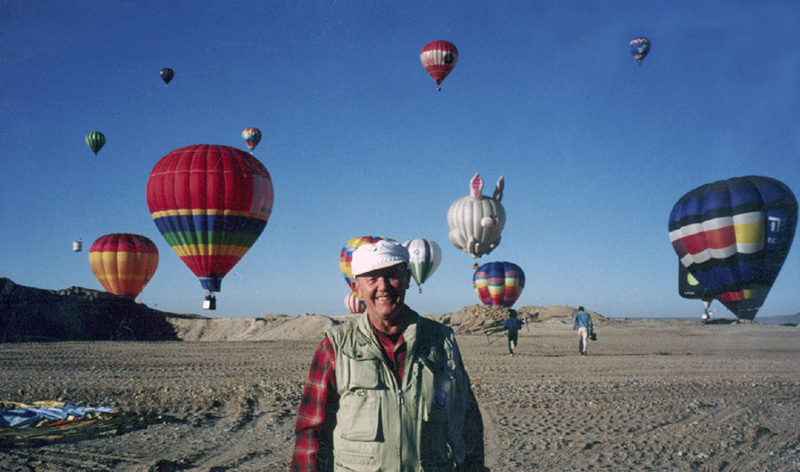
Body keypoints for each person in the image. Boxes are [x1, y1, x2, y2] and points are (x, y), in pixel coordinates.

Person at [291, 240, 487, 471]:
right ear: (356, 288)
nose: (383, 286)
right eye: (372, 279)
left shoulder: (441, 341)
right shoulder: (335, 346)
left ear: (408, 279)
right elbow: (311, 431)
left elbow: (467, 421)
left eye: (392, 275)